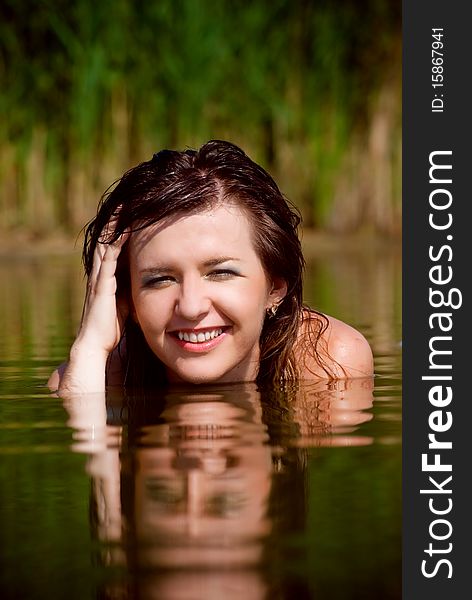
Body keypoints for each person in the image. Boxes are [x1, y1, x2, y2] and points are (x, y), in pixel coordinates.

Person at [49, 140, 373, 395]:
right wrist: (91, 346)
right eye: (160, 279)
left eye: (220, 272)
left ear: (275, 286)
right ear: (128, 300)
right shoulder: (94, 374)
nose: (191, 307)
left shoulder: (330, 363)